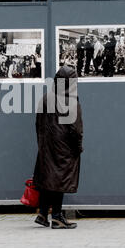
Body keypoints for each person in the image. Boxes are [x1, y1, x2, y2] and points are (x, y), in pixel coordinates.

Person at [33, 65, 83, 229]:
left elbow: (38, 124)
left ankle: (42, 214)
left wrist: (42, 144)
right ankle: (57, 217)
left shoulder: (46, 98)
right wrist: (78, 147)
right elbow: (76, 130)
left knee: (49, 178)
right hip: (64, 148)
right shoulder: (71, 101)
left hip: (47, 147)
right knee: (59, 180)